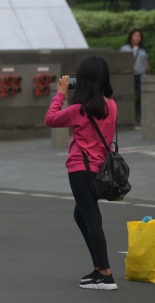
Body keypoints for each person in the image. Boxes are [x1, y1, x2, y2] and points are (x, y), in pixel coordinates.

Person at [45, 56, 118, 290]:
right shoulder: (112, 105)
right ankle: (98, 269)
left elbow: (50, 119)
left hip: (80, 170)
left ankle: (106, 275)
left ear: (83, 80)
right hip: (100, 172)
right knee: (82, 215)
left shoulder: (78, 109)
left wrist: (60, 93)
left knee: (91, 218)